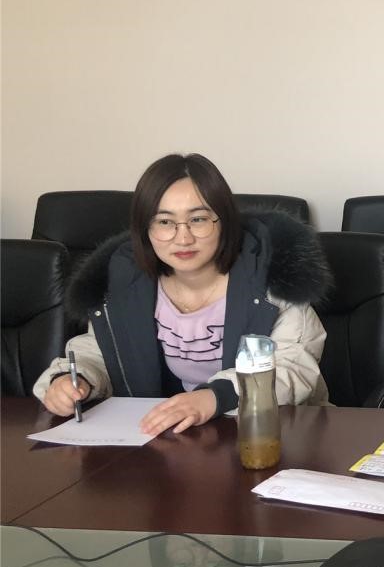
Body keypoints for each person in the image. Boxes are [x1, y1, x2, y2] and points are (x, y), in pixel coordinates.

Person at [34, 153, 331, 435]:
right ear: (144, 230)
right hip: (174, 438)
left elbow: (294, 368)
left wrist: (216, 397)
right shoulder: (124, 282)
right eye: (164, 222)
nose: (183, 237)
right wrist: (74, 378)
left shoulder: (272, 278)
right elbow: (102, 350)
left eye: (198, 219)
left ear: (225, 221)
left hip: (272, 432)